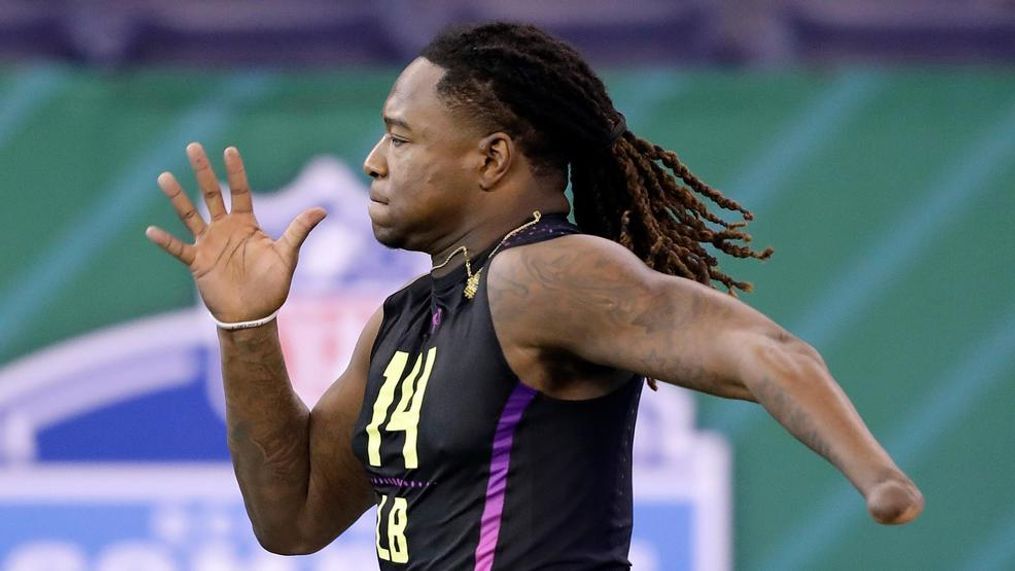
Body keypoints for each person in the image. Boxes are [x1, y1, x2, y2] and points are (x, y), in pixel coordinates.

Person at [145, 22, 923, 571]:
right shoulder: (403, 317)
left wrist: (877, 476)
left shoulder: (546, 274)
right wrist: (245, 324)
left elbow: (762, 350)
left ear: (491, 159)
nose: (373, 161)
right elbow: (295, 518)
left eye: (401, 136)